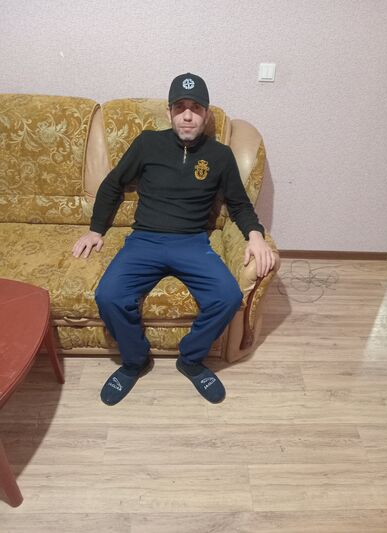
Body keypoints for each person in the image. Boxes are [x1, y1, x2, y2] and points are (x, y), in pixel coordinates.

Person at [72, 73, 275, 406]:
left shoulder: (220, 155)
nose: (188, 115)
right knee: (109, 296)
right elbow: (113, 184)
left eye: (196, 108)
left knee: (227, 297)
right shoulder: (147, 143)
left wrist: (256, 236)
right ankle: (134, 362)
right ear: (169, 113)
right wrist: (96, 230)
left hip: (192, 242)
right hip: (145, 240)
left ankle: (191, 361)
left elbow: (239, 204)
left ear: (206, 114)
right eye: (180, 107)